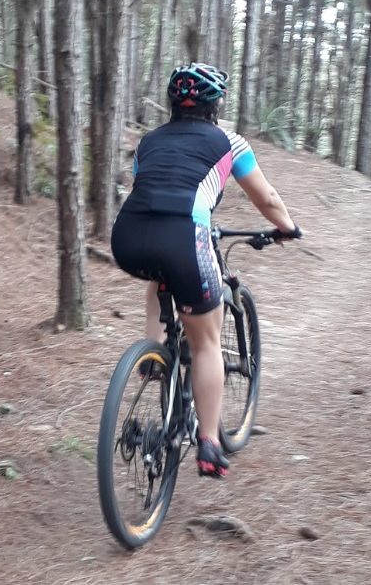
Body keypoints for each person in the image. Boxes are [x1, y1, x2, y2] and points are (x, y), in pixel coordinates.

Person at [111, 63, 300, 478]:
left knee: (159, 273)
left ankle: (153, 354)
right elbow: (265, 197)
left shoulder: (149, 141)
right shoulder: (230, 142)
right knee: (206, 343)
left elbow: (155, 185)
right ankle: (210, 443)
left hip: (127, 237)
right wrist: (287, 227)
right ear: (216, 105)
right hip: (183, 236)